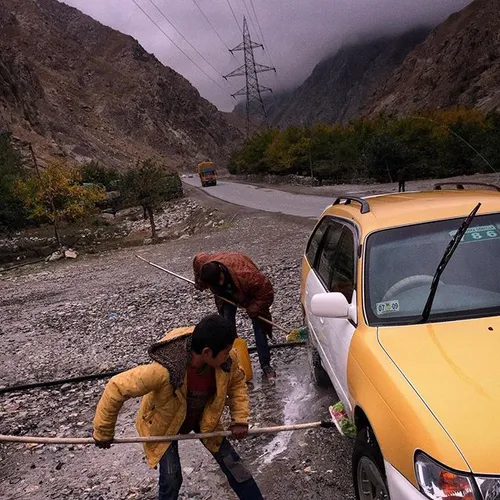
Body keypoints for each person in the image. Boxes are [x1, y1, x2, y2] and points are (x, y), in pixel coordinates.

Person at [93, 314, 263, 500]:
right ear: (207, 352)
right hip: (165, 424)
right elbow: (116, 387)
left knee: (235, 466)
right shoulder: (164, 371)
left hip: (203, 416)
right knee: (172, 477)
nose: (229, 355)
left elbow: (237, 383)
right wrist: (103, 433)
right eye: (225, 352)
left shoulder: (226, 360)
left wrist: (239, 419)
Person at [193, 252, 276, 380]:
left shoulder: (247, 275)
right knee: (226, 329)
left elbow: (267, 291)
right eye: (216, 283)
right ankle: (232, 364)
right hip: (226, 296)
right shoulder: (205, 266)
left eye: (221, 279)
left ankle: (265, 365)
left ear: (221, 271)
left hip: (248, 292)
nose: (220, 283)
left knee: (259, 326)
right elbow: (197, 259)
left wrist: (256, 307)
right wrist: (199, 282)